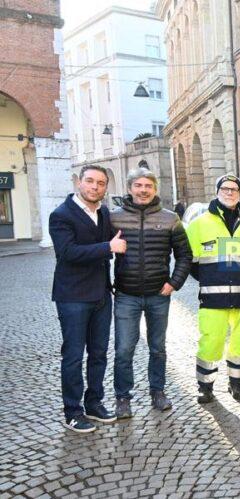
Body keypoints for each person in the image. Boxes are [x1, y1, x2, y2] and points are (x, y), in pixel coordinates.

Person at [110, 168, 192, 418]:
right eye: (138, 185)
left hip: (159, 295)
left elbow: (185, 255)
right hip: (126, 295)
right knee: (124, 349)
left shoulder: (170, 219)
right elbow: (100, 251)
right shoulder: (114, 218)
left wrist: (174, 283)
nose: (143, 190)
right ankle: (123, 397)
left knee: (157, 347)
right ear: (130, 188)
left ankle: (158, 391)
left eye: (148, 186)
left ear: (155, 189)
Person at [49, 165, 126, 433]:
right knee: (73, 356)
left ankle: (94, 403)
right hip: (73, 296)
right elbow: (67, 253)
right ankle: (72, 412)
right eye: (90, 181)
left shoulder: (104, 213)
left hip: (101, 294)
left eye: (101, 183)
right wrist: (108, 247)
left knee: (99, 353)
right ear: (79, 183)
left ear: (105, 187)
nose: (95, 187)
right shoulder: (61, 215)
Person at [186, 174, 240, 403]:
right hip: (212, 297)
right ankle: (205, 387)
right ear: (217, 191)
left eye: (234, 189)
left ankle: (236, 384)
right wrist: (210, 279)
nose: (229, 192)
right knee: (211, 341)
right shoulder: (200, 224)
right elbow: (189, 260)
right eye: (225, 188)